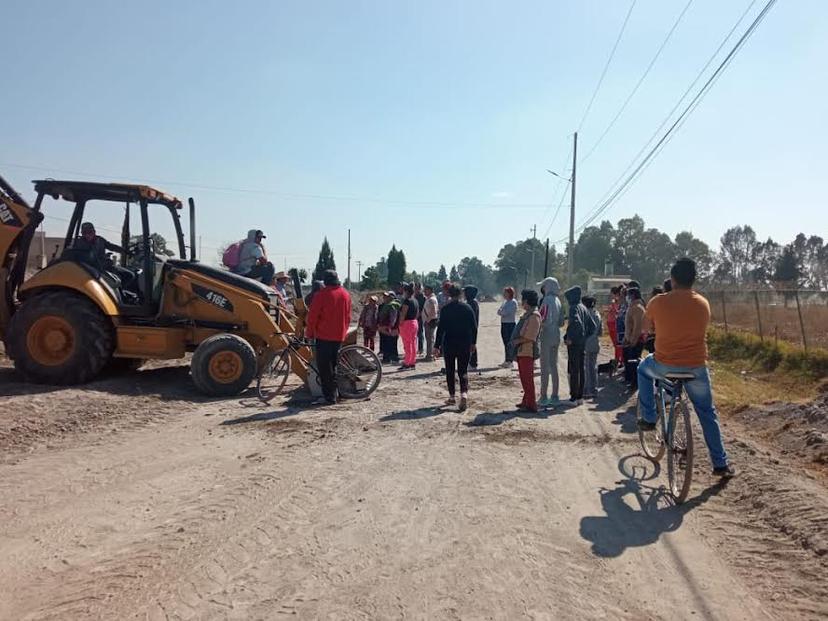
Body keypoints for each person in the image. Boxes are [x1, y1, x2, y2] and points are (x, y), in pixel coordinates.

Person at [638, 258, 734, 477]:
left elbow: (645, 328)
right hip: (696, 368)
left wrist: (653, 331)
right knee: (707, 412)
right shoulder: (703, 303)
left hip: (664, 365)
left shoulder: (657, 302)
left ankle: (650, 418)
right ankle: (720, 464)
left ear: (672, 280)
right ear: (693, 280)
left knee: (642, 369)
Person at [305, 270, 352, 405]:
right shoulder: (345, 294)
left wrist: (309, 334)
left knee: (325, 368)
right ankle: (338, 392)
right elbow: (348, 317)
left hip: (324, 336)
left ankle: (329, 397)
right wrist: (343, 331)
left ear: (325, 281)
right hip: (339, 336)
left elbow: (312, 317)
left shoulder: (321, 295)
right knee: (336, 365)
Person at [434, 284, 477, 411]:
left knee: (450, 370)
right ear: (460, 294)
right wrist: (473, 343)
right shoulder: (468, 308)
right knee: (463, 370)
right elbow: (474, 327)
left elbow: (440, 329)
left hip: (449, 342)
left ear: (449, 294)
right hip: (464, 342)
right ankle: (464, 394)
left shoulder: (445, 309)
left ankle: (452, 396)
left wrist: (437, 346)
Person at [72, 222, 134, 286]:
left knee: (129, 275)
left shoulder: (100, 240)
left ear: (94, 232)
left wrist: (125, 251)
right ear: (82, 234)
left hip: (106, 266)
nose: (87, 235)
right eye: (85, 233)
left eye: (90, 232)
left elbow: (111, 246)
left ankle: (121, 293)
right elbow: (81, 259)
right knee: (115, 282)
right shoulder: (79, 244)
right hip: (94, 271)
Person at [564, 285, 595, 405]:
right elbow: (592, 327)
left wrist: (570, 338)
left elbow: (575, 323)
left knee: (574, 369)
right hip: (582, 343)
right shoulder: (583, 307)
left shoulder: (574, 308)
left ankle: (573, 397)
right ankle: (580, 396)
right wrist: (584, 338)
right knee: (581, 369)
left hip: (574, 344)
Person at [512, 289, 542, 412]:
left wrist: (517, 341)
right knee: (524, 378)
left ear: (527, 301)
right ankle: (526, 401)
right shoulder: (528, 314)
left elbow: (530, 336)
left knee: (527, 379)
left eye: (523, 300)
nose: (521, 303)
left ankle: (531, 404)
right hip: (522, 351)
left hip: (527, 351)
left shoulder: (534, 316)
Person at [537, 277, 563, 406]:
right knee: (554, 365)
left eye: (543, 286)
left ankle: (543, 396)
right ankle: (555, 395)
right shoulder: (558, 300)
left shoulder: (546, 300)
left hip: (546, 334)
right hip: (556, 335)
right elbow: (562, 321)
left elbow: (542, 318)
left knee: (544, 367)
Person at [622, 287, 646, 390]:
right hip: (629, 340)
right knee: (628, 362)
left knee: (634, 363)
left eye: (628, 295)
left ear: (632, 296)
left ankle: (635, 383)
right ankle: (630, 380)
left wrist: (633, 340)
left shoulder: (637, 308)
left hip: (636, 341)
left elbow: (637, 327)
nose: (626, 297)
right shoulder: (632, 307)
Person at [583, 296, 603, 399]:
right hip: (595, 343)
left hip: (586, 344)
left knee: (586, 367)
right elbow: (600, 332)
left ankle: (586, 389)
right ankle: (594, 389)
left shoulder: (584, 314)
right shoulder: (597, 314)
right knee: (593, 366)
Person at [398, 283, 420, 370]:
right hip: (414, 322)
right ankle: (412, 362)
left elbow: (403, 313)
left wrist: (400, 323)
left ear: (406, 291)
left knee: (407, 344)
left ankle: (406, 363)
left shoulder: (407, 301)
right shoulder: (415, 301)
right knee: (413, 343)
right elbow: (418, 313)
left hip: (407, 323)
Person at [497, 287, 518, 368]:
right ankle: (507, 360)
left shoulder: (513, 302)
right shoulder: (505, 302)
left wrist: (501, 312)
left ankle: (510, 361)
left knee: (509, 343)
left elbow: (505, 312)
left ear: (510, 293)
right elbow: (499, 311)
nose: (504, 294)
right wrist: (501, 311)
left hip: (510, 324)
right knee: (505, 342)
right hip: (504, 324)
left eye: (505, 292)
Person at [377, 292, 401, 364]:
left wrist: (390, 327)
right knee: (389, 343)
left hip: (391, 328)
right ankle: (391, 358)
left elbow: (393, 318)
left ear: (392, 297)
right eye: (384, 296)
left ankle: (389, 358)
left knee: (390, 343)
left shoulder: (392, 305)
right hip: (389, 328)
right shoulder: (386, 305)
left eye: (386, 296)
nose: (384, 298)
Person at [462, 286, 480, 369]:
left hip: (471, 327)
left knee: (471, 344)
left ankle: (473, 363)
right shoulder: (471, 302)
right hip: (470, 326)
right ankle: (472, 362)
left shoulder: (472, 303)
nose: (463, 294)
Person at [421, 285, 439, 362]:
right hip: (429, 321)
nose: (424, 291)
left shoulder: (432, 299)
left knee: (430, 339)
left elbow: (434, 312)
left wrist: (427, 320)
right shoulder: (430, 299)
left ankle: (430, 356)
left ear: (430, 290)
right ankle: (430, 354)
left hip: (430, 321)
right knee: (429, 339)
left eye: (426, 290)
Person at [607, 286, 623, 367]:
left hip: (615, 323)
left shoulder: (618, 302)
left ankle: (619, 360)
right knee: (616, 344)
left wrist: (613, 307)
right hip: (610, 323)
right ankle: (619, 359)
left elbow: (618, 313)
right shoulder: (614, 302)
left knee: (618, 344)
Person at [415, 283, 426, 355]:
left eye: (417, 288)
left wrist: (418, 315)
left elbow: (423, 308)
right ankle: (416, 348)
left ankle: (421, 348)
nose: (416, 290)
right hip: (414, 317)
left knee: (420, 333)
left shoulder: (423, 297)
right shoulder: (414, 296)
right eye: (415, 288)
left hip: (420, 317)